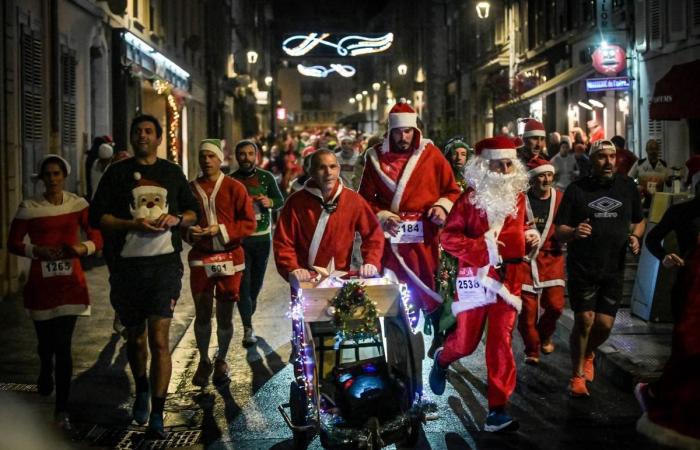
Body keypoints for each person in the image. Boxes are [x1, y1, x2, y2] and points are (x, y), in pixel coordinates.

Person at [89, 115, 200, 438]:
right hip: (127, 270)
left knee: (160, 339)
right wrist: (131, 225)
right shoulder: (117, 173)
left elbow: (192, 213)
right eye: (137, 131)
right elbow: (99, 218)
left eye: (149, 131)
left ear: (159, 137)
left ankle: (158, 413)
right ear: (132, 136)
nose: (142, 136)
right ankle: (140, 389)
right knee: (136, 339)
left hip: (164, 268)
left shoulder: (171, 172)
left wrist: (176, 218)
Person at [428, 136, 539, 432]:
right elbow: (448, 238)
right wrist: (482, 247)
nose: (504, 169)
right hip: (474, 280)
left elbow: (524, 227)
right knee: (466, 343)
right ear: (483, 167)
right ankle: (443, 359)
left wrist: (530, 235)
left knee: (501, 342)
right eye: (498, 164)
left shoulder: (519, 198)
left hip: (509, 281)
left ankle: (497, 410)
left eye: (508, 163)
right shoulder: (469, 199)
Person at [8, 154, 103, 431]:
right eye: (47, 174)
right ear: (42, 178)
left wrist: (81, 248)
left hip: (70, 284)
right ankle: (43, 367)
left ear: (64, 176)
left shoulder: (78, 205)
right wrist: (35, 250)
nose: (52, 179)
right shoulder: (29, 208)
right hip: (41, 285)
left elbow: (97, 237)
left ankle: (62, 410)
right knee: (46, 343)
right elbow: (12, 242)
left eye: (56, 174)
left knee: (63, 346)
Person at [358, 101, 461, 354]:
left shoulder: (431, 155)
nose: (403, 137)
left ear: (415, 130)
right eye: (398, 131)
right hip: (391, 238)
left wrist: (442, 207)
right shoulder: (374, 158)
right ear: (389, 132)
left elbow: (452, 190)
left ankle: (439, 336)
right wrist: (381, 214)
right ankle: (399, 342)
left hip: (424, 235)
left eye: (407, 131)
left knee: (430, 285)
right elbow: (363, 200)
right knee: (395, 289)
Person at [554, 139, 646, 398]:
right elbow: (559, 231)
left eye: (612, 156)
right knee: (584, 320)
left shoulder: (627, 186)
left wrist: (636, 236)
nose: (609, 162)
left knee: (604, 326)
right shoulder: (576, 190)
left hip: (613, 268)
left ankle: (589, 353)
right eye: (602, 157)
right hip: (583, 266)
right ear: (592, 161)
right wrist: (573, 232)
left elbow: (639, 220)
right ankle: (577, 375)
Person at [635, 180, 700, 448]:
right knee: (686, 349)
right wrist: (665, 256)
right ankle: (659, 395)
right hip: (690, 286)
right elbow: (653, 237)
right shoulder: (683, 211)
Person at [187, 139, 256, 386]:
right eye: (202, 156)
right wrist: (190, 233)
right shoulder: (190, 189)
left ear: (220, 159)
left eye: (211, 156)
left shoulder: (235, 188)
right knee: (203, 311)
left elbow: (249, 223)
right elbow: (183, 222)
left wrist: (222, 230)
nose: (206, 160)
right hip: (201, 258)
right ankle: (204, 359)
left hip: (230, 258)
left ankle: (222, 359)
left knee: (225, 314)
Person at [273, 149, 384, 283]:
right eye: (321, 168)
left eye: (332, 167)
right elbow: (283, 241)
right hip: (307, 280)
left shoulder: (353, 200)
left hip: (343, 280)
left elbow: (373, 233)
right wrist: (292, 268)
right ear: (312, 172)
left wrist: (371, 261)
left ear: (338, 169)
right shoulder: (296, 202)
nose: (328, 173)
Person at [232, 139, 284, 346]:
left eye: (250, 154)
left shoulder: (266, 178)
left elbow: (280, 200)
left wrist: (269, 202)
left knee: (255, 286)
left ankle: (248, 311)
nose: (246, 158)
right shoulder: (229, 180)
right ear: (237, 157)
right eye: (242, 154)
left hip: (262, 239)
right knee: (243, 286)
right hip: (239, 241)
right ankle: (247, 328)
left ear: (256, 156)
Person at [518, 158, 565, 365]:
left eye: (549, 176)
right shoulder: (520, 200)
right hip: (525, 261)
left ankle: (545, 334)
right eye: (541, 176)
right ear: (532, 179)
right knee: (527, 312)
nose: (546, 180)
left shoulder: (561, 199)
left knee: (555, 306)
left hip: (552, 257)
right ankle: (532, 349)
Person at [628, 139, 670, 211]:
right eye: (651, 149)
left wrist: (675, 178)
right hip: (642, 201)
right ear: (646, 150)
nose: (653, 152)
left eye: (655, 149)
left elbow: (669, 183)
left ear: (658, 150)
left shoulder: (663, 165)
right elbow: (629, 179)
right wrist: (637, 186)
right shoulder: (639, 163)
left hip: (658, 201)